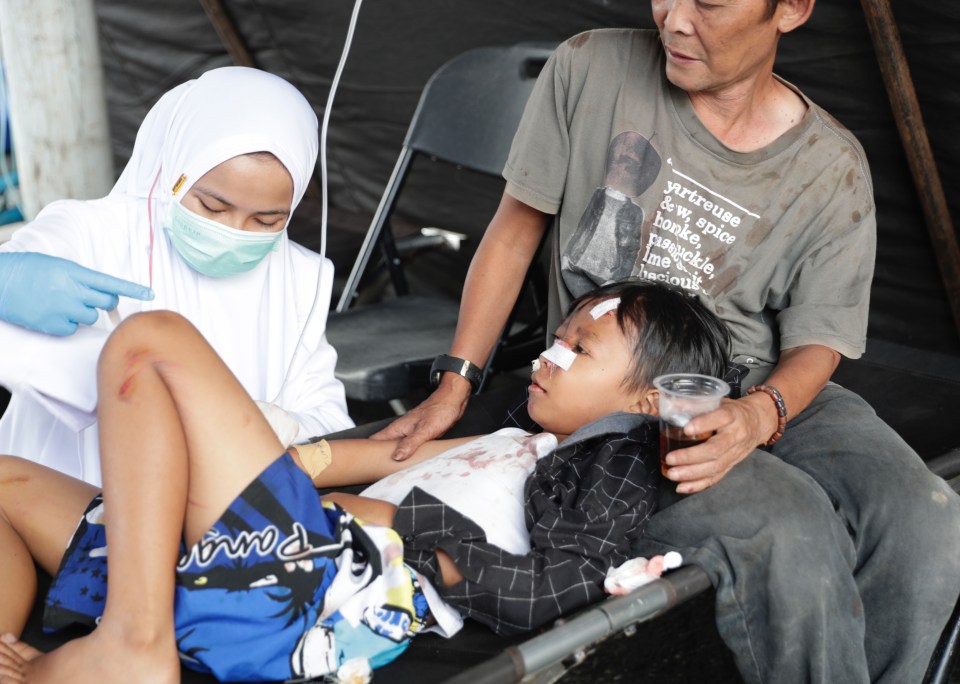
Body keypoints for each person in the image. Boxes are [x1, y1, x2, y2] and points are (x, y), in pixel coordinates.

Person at [370, 1, 960, 682]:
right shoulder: (590, 67)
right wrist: (455, 383)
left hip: (760, 380)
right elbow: (513, 231)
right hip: (630, 393)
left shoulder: (830, 165)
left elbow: (818, 343)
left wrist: (760, 413)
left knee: (924, 519)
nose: (675, 20)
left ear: (792, 8)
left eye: (708, 1)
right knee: (787, 529)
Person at [0, 280, 728, 682]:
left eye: (580, 348)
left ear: (644, 399)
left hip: (316, 576)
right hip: (267, 545)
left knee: (148, 340)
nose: (549, 354)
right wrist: (295, 458)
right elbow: (377, 455)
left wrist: (394, 527)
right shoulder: (512, 439)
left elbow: (551, 584)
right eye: (558, 337)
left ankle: (132, 643)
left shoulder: (610, 466)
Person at [0, 66, 353, 485]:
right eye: (212, 207)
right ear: (175, 172)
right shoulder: (88, 233)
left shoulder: (300, 279)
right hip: (60, 496)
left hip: (212, 517)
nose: (233, 231)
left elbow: (330, 420)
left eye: (266, 220)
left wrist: (280, 425)